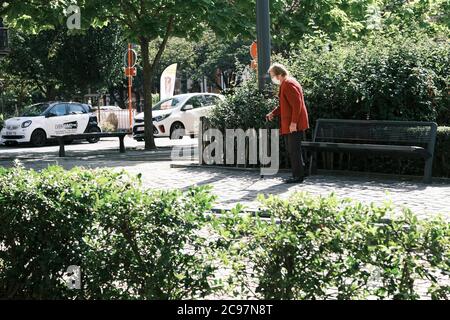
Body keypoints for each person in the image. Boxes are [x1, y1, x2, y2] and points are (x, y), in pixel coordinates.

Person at [266, 63, 310, 184]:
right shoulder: (287, 83)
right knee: (295, 149)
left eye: (273, 75)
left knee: (294, 149)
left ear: (280, 74)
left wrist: (294, 123)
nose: (273, 78)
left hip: (294, 123)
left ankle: (298, 176)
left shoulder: (288, 84)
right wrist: (273, 113)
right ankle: (302, 173)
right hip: (293, 122)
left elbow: (297, 104)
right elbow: (285, 105)